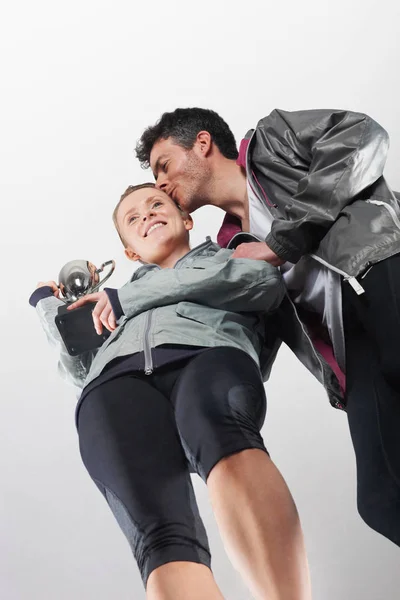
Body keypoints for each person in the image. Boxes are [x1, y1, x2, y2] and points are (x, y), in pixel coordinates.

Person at [30, 183, 312, 600]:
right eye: (133, 218)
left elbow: (262, 283)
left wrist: (129, 297)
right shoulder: (110, 304)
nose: (146, 215)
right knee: (160, 538)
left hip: (206, 355)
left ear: (186, 219)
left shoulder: (226, 256)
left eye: (156, 205)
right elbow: (78, 370)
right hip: (113, 387)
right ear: (129, 252)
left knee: (220, 432)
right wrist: (47, 307)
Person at [136, 108, 400, 547]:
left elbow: (362, 136)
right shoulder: (229, 250)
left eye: (164, 165)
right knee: (380, 498)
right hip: (352, 347)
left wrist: (279, 244)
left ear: (202, 144)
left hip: (383, 269)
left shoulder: (271, 140)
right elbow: (246, 347)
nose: (160, 183)